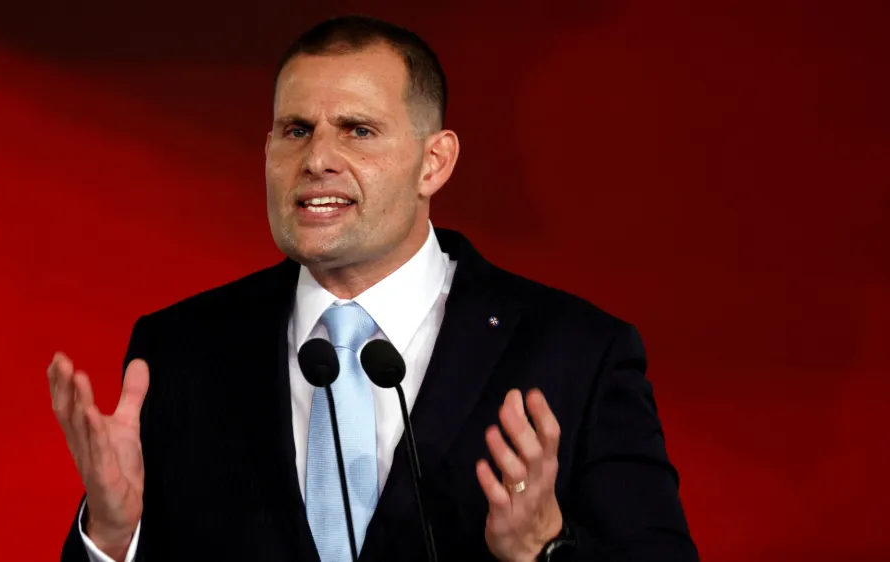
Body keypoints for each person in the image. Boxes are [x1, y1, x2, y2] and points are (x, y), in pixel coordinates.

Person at [49, 15, 698, 562]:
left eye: (357, 130)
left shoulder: (576, 353)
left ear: (434, 162)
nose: (317, 158)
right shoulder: (182, 348)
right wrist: (112, 534)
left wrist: (546, 547)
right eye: (296, 130)